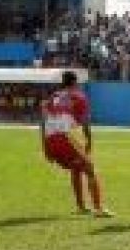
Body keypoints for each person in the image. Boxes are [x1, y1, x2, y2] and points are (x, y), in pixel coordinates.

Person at [41, 70, 111, 217]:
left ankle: (81, 207)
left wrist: (45, 148)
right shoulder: (78, 96)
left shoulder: (53, 96)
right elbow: (85, 122)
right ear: (75, 82)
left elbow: (44, 121)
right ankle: (99, 209)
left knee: (76, 167)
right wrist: (89, 141)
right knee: (90, 168)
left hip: (50, 139)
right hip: (65, 137)